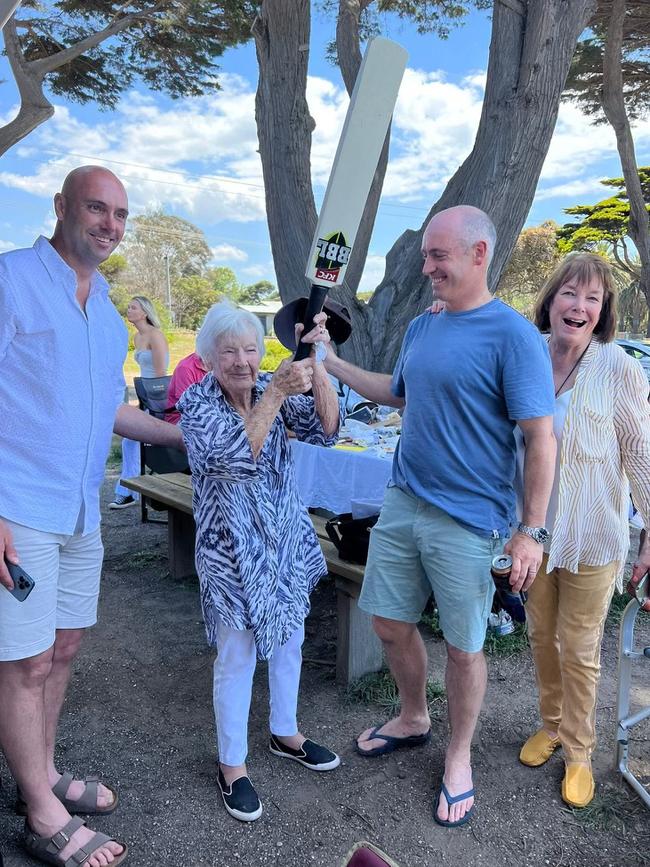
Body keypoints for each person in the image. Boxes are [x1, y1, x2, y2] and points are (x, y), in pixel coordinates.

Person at [322, 205, 556, 827]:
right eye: (426, 255)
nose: (426, 267)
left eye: (437, 256)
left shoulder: (513, 336)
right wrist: (330, 363)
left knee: (463, 647)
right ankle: (413, 716)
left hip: (470, 520)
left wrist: (530, 531)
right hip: (404, 502)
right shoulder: (423, 327)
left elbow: (540, 437)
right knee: (389, 625)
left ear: (479, 255)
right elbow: (396, 392)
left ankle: (458, 755)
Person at [0, 166, 183, 867]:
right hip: (18, 506)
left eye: (120, 214)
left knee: (65, 649)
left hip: (79, 510)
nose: (110, 224)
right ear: (61, 207)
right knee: (24, 661)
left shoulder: (107, 315)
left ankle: (38, 773)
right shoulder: (12, 279)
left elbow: (113, 410)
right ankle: (43, 816)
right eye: (96, 208)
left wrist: (182, 434)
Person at [177, 300, 342, 822]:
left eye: (251, 349)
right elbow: (232, 457)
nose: (244, 361)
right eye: (229, 351)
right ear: (208, 357)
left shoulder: (274, 381)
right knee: (237, 654)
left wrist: (319, 362)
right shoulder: (196, 402)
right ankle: (232, 766)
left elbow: (327, 427)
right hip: (230, 550)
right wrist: (273, 392)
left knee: (291, 637)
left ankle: (285, 732)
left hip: (284, 539)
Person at [516, 253, 650, 807]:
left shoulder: (617, 366)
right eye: (570, 293)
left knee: (580, 646)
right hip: (533, 532)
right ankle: (551, 724)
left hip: (594, 534)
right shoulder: (524, 356)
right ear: (551, 301)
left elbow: (641, 452)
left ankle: (579, 751)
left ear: (603, 312)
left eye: (593, 298)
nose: (580, 306)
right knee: (539, 635)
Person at [109, 295, 169, 508]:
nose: (129, 311)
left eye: (133, 307)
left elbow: (162, 375)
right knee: (129, 439)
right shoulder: (136, 338)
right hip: (144, 396)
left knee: (131, 440)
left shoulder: (156, 336)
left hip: (159, 398)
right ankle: (130, 490)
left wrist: (152, 403)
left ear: (144, 312)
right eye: (129, 307)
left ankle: (128, 491)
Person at [165, 350, 207, 425]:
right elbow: (189, 406)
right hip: (182, 418)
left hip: (210, 414)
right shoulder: (185, 368)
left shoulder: (220, 365)